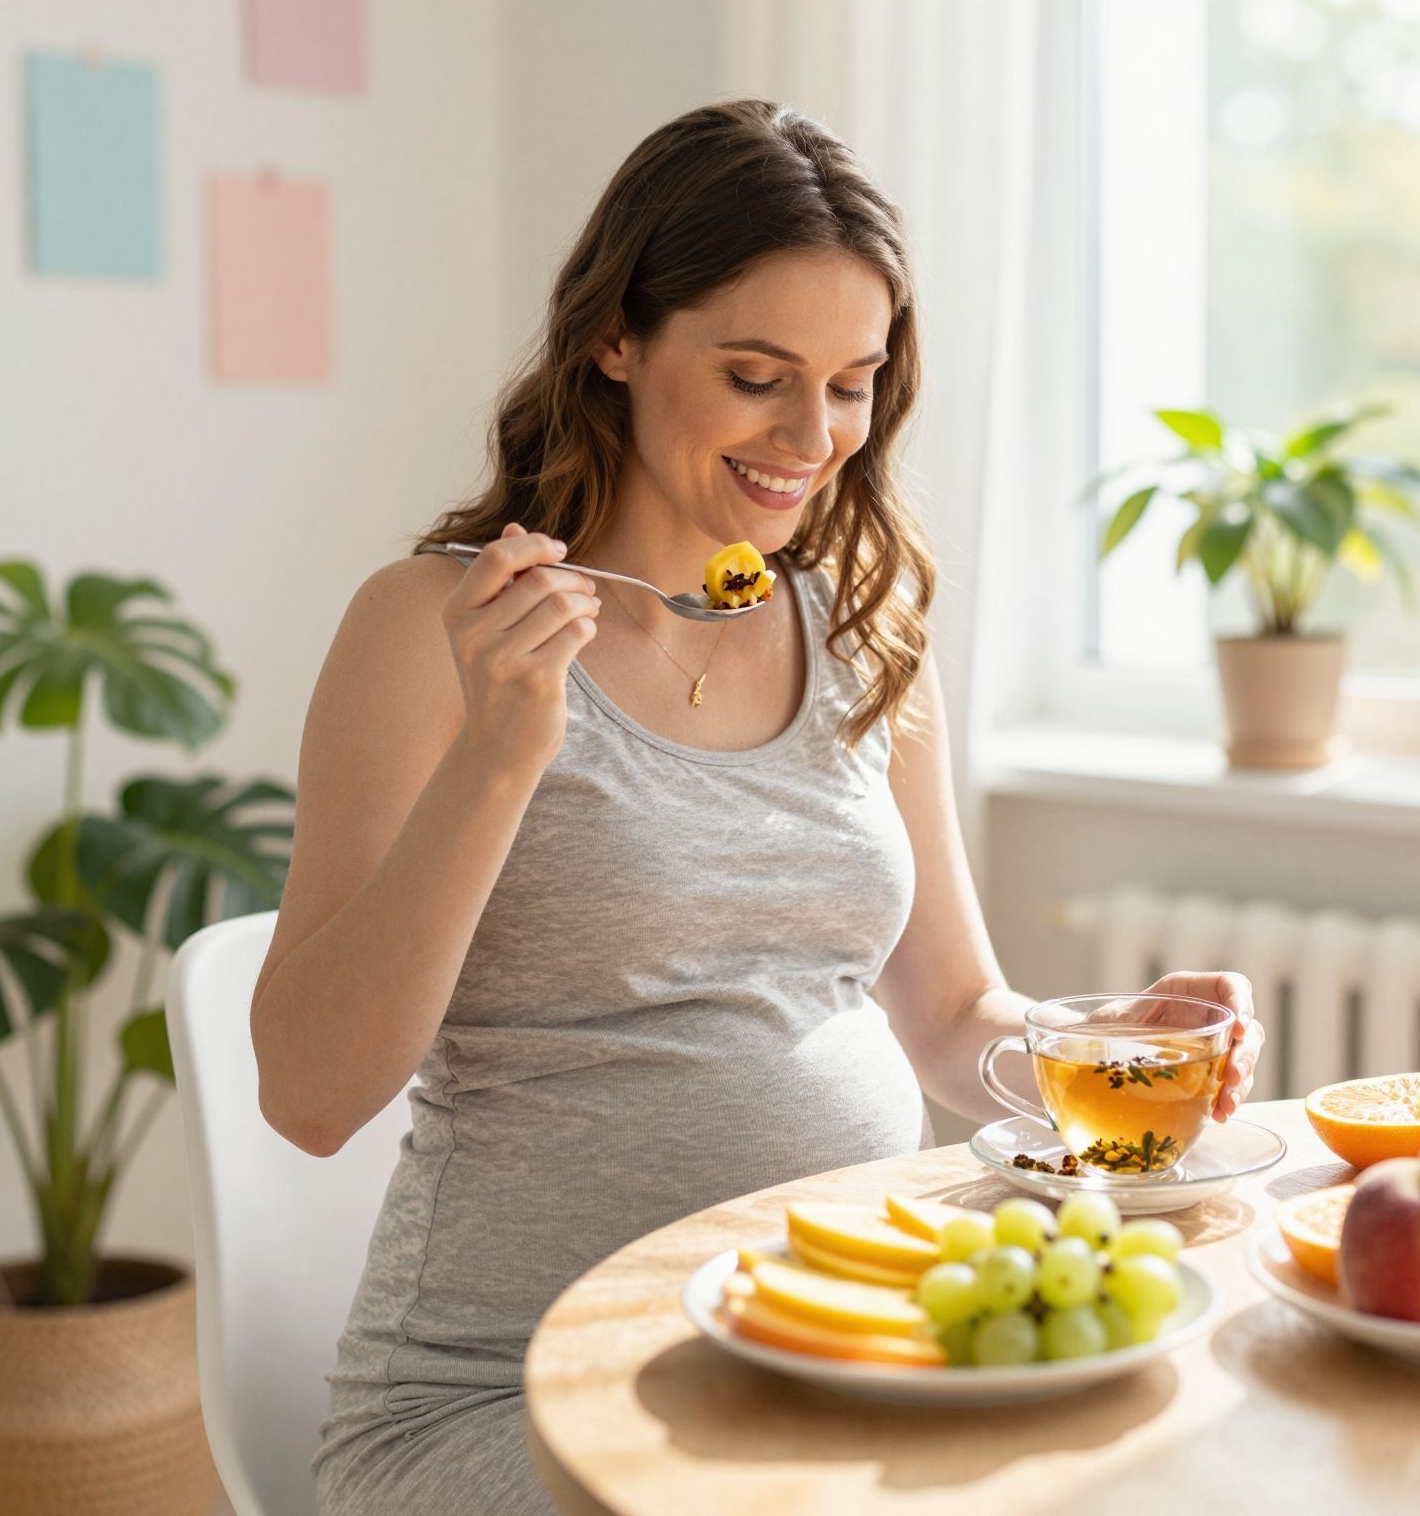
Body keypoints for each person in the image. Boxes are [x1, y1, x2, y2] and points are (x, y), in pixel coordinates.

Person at [251, 99, 1263, 1516]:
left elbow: (951, 1016)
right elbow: (307, 1096)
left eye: (852, 383)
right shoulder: (436, 628)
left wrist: (1105, 1049)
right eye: (755, 376)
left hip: (827, 1354)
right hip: (505, 1392)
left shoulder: (864, 628)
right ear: (617, 338)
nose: (812, 435)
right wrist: (499, 757)